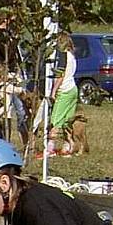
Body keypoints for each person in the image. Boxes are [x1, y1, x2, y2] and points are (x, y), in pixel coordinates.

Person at [0, 13, 29, 147]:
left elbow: (15, 55)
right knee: (6, 113)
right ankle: (3, 145)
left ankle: (27, 143)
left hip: (13, 72)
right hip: (4, 73)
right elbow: (7, 54)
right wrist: (14, 40)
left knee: (22, 111)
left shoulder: (9, 33)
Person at [38, 31, 77, 159]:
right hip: (73, 89)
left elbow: (60, 76)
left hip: (64, 91)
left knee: (55, 120)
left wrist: (53, 91)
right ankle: (68, 146)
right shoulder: (72, 55)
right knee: (67, 120)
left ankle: (50, 148)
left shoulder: (62, 56)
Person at [0, 64, 27, 142]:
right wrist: (18, 79)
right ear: (3, 76)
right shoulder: (6, 87)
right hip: (5, 116)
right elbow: (19, 89)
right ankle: (4, 150)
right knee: (6, 138)